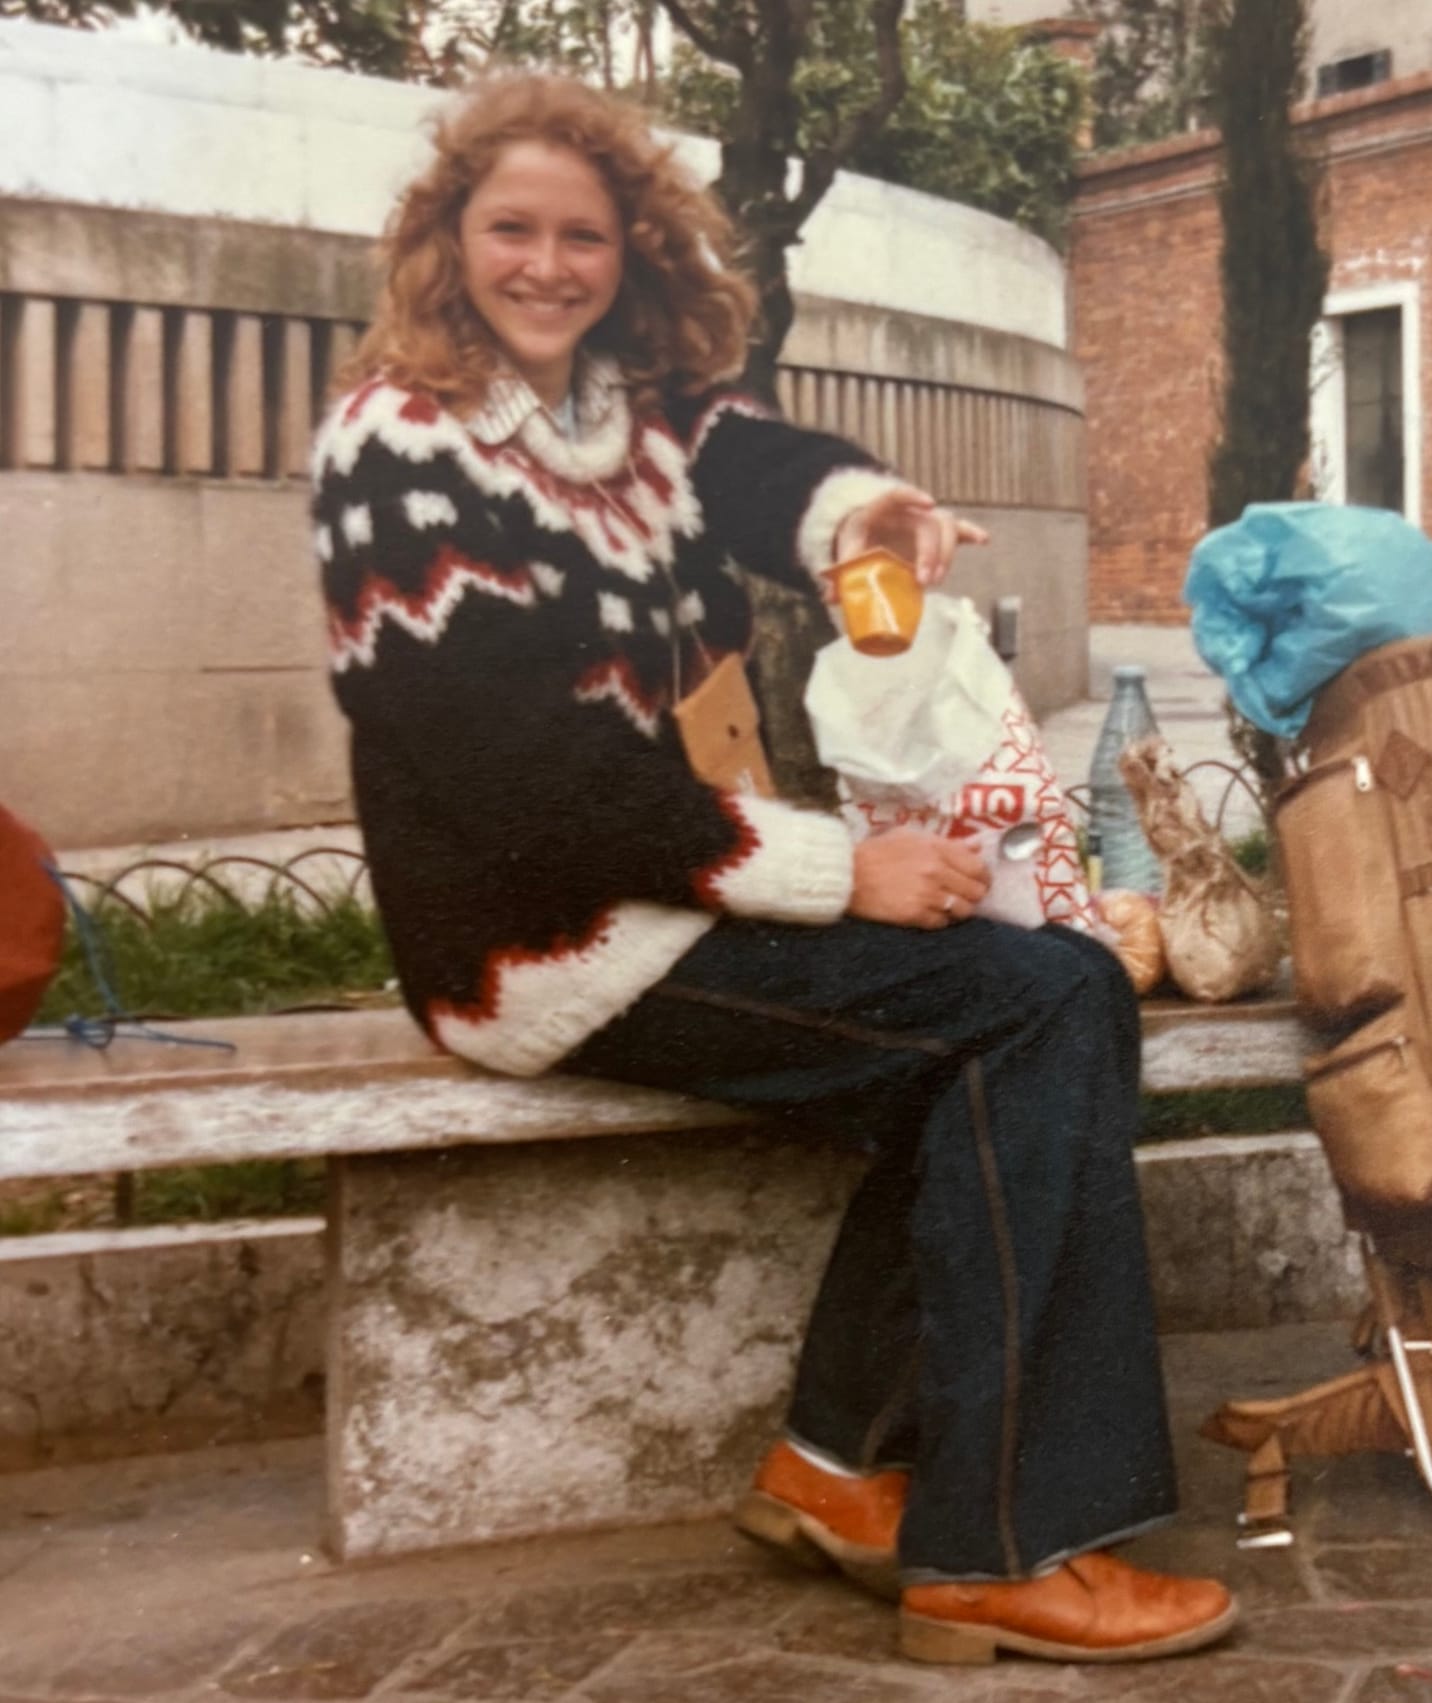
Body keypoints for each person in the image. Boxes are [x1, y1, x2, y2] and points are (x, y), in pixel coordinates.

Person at [311, 72, 1236, 1666]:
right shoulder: (400, 447)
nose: (546, 266)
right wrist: (838, 868)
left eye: (583, 236)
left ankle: (840, 1468)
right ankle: (1001, 1546)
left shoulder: (629, 411)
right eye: (511, 229)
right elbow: (520, 785)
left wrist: (870, 513)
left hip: (658, 898)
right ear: (447, 241)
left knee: (1034, 997)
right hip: (544, 944)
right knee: (1038, 1006)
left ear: (630, 251)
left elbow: (762, 469)